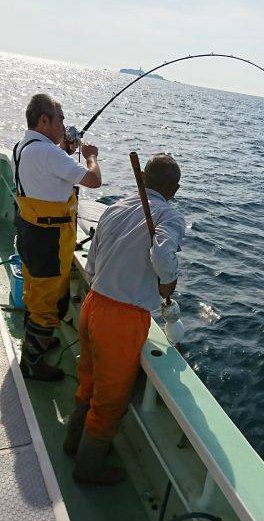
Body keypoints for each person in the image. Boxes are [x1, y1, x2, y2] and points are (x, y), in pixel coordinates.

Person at [63, 153, 185, 486]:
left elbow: (93, 260)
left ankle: (73, 442)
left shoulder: (115, 207)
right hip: (122, 320)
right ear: (174, 189)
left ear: (142, 179)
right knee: (109, 401)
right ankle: (88, 467)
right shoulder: (170, 215)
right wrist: (168, 281)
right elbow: (163, 255)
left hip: (93, 304)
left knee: (88, 381)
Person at [14, 93, 102, 381]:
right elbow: (93, 180)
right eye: (60, 120)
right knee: (47, 301)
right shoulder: (49, 153)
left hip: (31, 232)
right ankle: (31, 364)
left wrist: (65, 149)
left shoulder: (24, 146)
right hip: (49, 241)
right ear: (44, 120)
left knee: (35, 292)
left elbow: (49, 166)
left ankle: (36, 341)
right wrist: (90, 157)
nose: (64, 127)